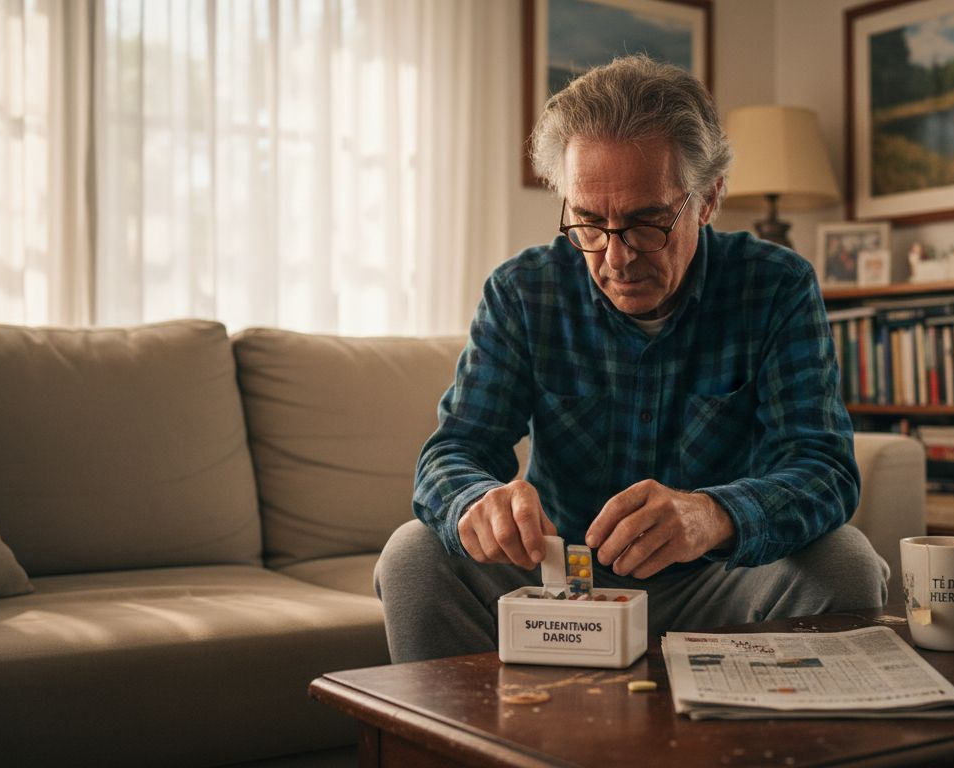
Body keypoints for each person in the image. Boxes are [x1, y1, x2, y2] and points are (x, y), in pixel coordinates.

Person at [374, 54, 886, 663]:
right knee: (412, 556)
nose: (616, 258)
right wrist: (475, 505)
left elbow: (824, 468)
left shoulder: (775, 286)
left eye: (647, 224)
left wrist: (713, 514)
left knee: (846, 561)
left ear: (709, 198)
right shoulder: (523, 291)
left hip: (718, 581)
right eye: (589, 223)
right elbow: (451, 452)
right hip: (559, 586)